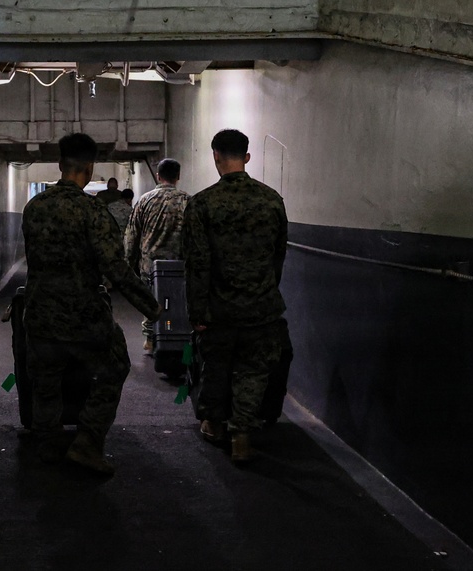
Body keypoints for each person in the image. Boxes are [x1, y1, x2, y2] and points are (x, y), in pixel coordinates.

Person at [21, 134, 160, 475]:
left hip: (39, 315)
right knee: (114, 368)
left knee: (46, 381)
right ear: (90, 167)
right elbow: (116, 269)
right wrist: (154, 308)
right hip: (84, 319)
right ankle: (86, 443)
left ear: (60, 165)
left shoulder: (33, 208)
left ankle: (49, 446)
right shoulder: (92, 212)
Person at [182, 129, 292, 464]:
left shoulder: (202, 204)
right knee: (253, 371)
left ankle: (214, 425)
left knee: (216, 366)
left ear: (215, 156)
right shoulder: (272, 200)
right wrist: (265, 292)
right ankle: (241, 434)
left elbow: (197, 263)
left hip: (219, 308)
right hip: (261, 308)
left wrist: (198, 312)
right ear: (246, 157)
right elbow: (278, 256)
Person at [124, 158, 189, 355]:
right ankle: (178, 337)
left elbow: (132, 236)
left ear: (158, 176)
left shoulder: (145, 200)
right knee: (179, 301)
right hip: (179, 265)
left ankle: (150, 339)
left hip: (150, 265)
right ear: (178, 177)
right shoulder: (188, 200)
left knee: (151, 301)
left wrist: (127, 264)